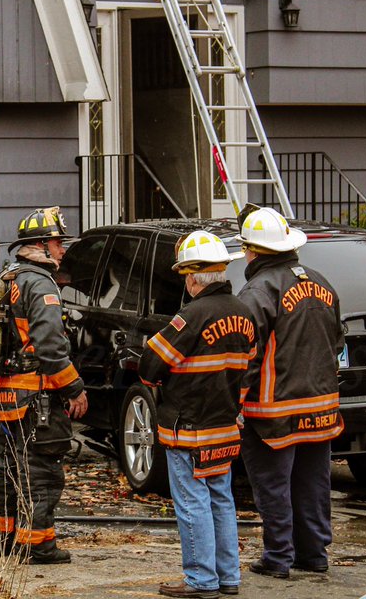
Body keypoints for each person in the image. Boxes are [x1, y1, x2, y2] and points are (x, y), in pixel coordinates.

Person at [139, 231, 255, 599]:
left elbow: (151, 366)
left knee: (192, 503)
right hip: (224, 427)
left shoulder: (191, 315)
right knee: (221, 499)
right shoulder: (244, 313)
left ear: (192, 278)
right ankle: (228, 577)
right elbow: (247, 369)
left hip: (188, 428)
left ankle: (201, 580)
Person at [235, 206, 344, 579]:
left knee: (273, 485)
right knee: (313, 483)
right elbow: (337, 341)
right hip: (321, 406)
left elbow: (247, 355)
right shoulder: (322, 282)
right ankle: (313, 554)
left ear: (253, 251)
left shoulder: (258, 291)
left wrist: (234, 403)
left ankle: (278, 557)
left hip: (273, 411)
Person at [0, 206, 87, 565]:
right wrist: (74, 389)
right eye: (58, 243)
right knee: (41, 473)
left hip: (9, 395)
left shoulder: (8, 277)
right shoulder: (40, 284)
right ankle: (37, 545)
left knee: (9, 470)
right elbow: (50, 346)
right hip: (36, 398)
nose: (62, 250)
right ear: (41, 245)